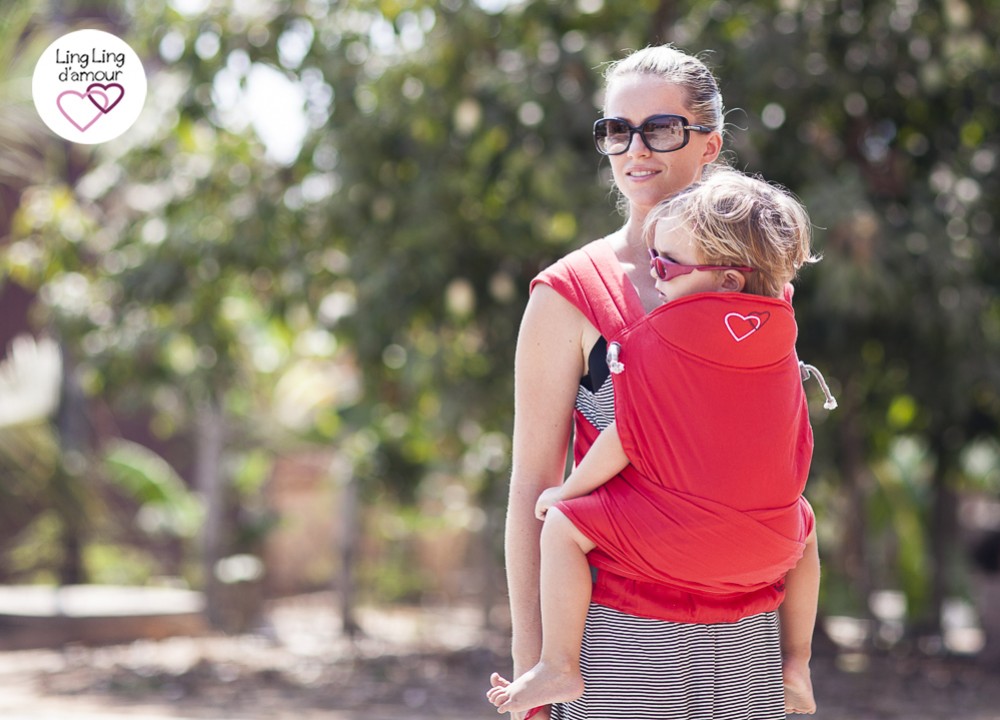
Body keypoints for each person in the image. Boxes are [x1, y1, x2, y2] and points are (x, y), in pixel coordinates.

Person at [492, 44, 821, 720]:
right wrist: (535, 668)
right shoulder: (568, 295)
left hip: (748, 639)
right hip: (617, 643)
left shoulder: (758, 287)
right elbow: (533, 485)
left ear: (710, 144)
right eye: (617, 129)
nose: (634, 149)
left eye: (661, 128)